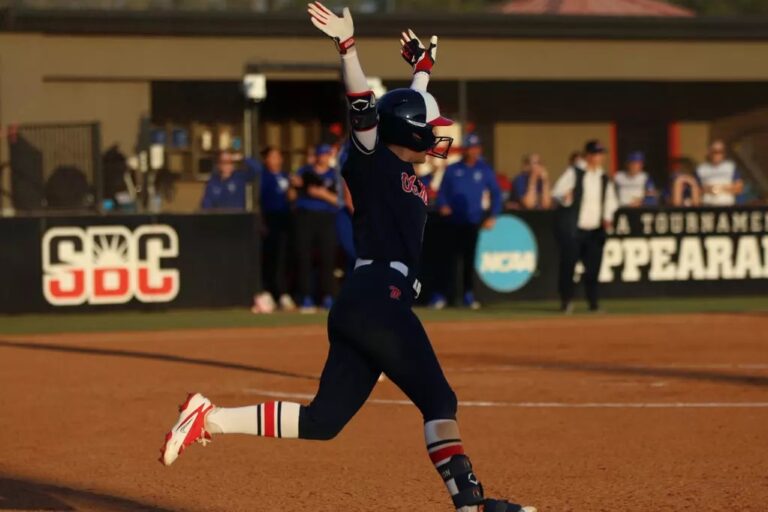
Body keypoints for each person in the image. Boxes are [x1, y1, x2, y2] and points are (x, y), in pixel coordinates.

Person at [159, 8, 536, 512]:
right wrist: (348, 48)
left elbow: (406, 111)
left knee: (324, 421)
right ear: (409, 133)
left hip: (364, 301)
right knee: (439, 401)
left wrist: (422, 71)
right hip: (379, 299)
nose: (439, 134)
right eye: (431, 127)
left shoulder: (401, 165)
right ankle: (471, 504)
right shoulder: (373, 158)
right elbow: (365, 107)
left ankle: (209, 418)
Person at [430, 133, 502, 310]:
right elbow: (442, 193)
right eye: (470, 148)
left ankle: (468, 295)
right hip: (452, 222)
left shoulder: (484, 170)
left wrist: (493, 216)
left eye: (476, 148)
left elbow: (496, 194)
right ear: (465, 150)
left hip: (472, 222)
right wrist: (443, 205)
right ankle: (442, 295)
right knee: (447, 261)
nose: (473, 151)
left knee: (469, 261)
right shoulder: (453, 169)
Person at [552, 139, 618, 314]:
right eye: (596, 154)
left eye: (601, 154)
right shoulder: (575, 172)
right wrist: (565, 197)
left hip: (595, 230)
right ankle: (566, 301)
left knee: (593, 268)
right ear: (588, 155)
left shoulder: (603, 177)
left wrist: (607, 217)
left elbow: (610, 200)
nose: (599, 157)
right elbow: (557, 191)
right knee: (568, 266)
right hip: (574, 229)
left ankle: (593, 302)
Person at [293, 143, 340, 312]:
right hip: (306, 217)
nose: (324, 158)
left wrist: (322, 194)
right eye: (322, 155)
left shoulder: (334, 175)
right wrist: (294, 185)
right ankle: (306, 296)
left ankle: (328, 296)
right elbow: (292, 195)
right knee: (304, 257)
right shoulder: (305, 172)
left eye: (327, 155)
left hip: (326, 218)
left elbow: (339, 201)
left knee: (327, 258)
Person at [257, 146, 296, 312]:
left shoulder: (287, 176)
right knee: (270, 258)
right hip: (270, 219)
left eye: (278, 156)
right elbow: (259, 201)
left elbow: (292, 198)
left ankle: (283, 293)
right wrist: (262, 222)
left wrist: (292, 193)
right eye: (272, 157)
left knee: (284, 257)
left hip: (285, 220)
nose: (275, 160)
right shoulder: (263, 177)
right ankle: (269, 292)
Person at [696, 139, 743, 206]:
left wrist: (719, 188)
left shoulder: (731, 167)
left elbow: (739, 188)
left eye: (720, 151)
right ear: (709, 152)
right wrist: (708, 189)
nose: (717, 154)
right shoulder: (701, 169)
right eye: (714, 151)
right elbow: (695, 190)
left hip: (727, 205)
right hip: (707, 205)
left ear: (724, 153)